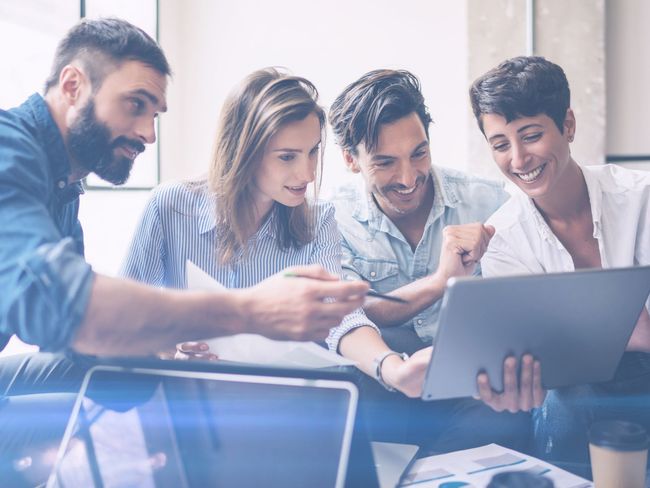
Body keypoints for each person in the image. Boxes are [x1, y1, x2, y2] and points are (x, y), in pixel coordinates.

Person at [0, 18, 366, 484]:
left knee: (122, 389)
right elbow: (62, 307)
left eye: (155, 115)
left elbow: (81, 344)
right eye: (135, 105)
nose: (148, 134)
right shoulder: (8, 150)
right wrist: (249, 310)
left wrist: (168, 349)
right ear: (73, 85)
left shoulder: (63, 187)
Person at [326, 69, 531, 451]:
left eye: (419, 153)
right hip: (381, 387)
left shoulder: (488, 203)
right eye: (385, 162)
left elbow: (523, 307)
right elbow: (350, 312)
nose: (408, 178)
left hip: (473, 390)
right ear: (351, 159)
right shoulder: (332, 219)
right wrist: (441, 281)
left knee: (505, 417)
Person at [469, 55, 650, 476]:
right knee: (568, 398)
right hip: (572, 389)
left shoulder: (642, 198)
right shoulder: (503, 238)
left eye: (531, 136)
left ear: (567, 125)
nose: (518, 159)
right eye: (500, 144)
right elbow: (537, 355)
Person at [120, 67, 375, 353]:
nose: (308, 174)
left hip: (278, 392)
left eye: (313, 151)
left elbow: (339, 318)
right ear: (244, 152)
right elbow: (125, 320)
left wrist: (387, 365)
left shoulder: (319, 219)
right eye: (287, 157)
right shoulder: (169, 206)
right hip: (189, 390)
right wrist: (170, 353)